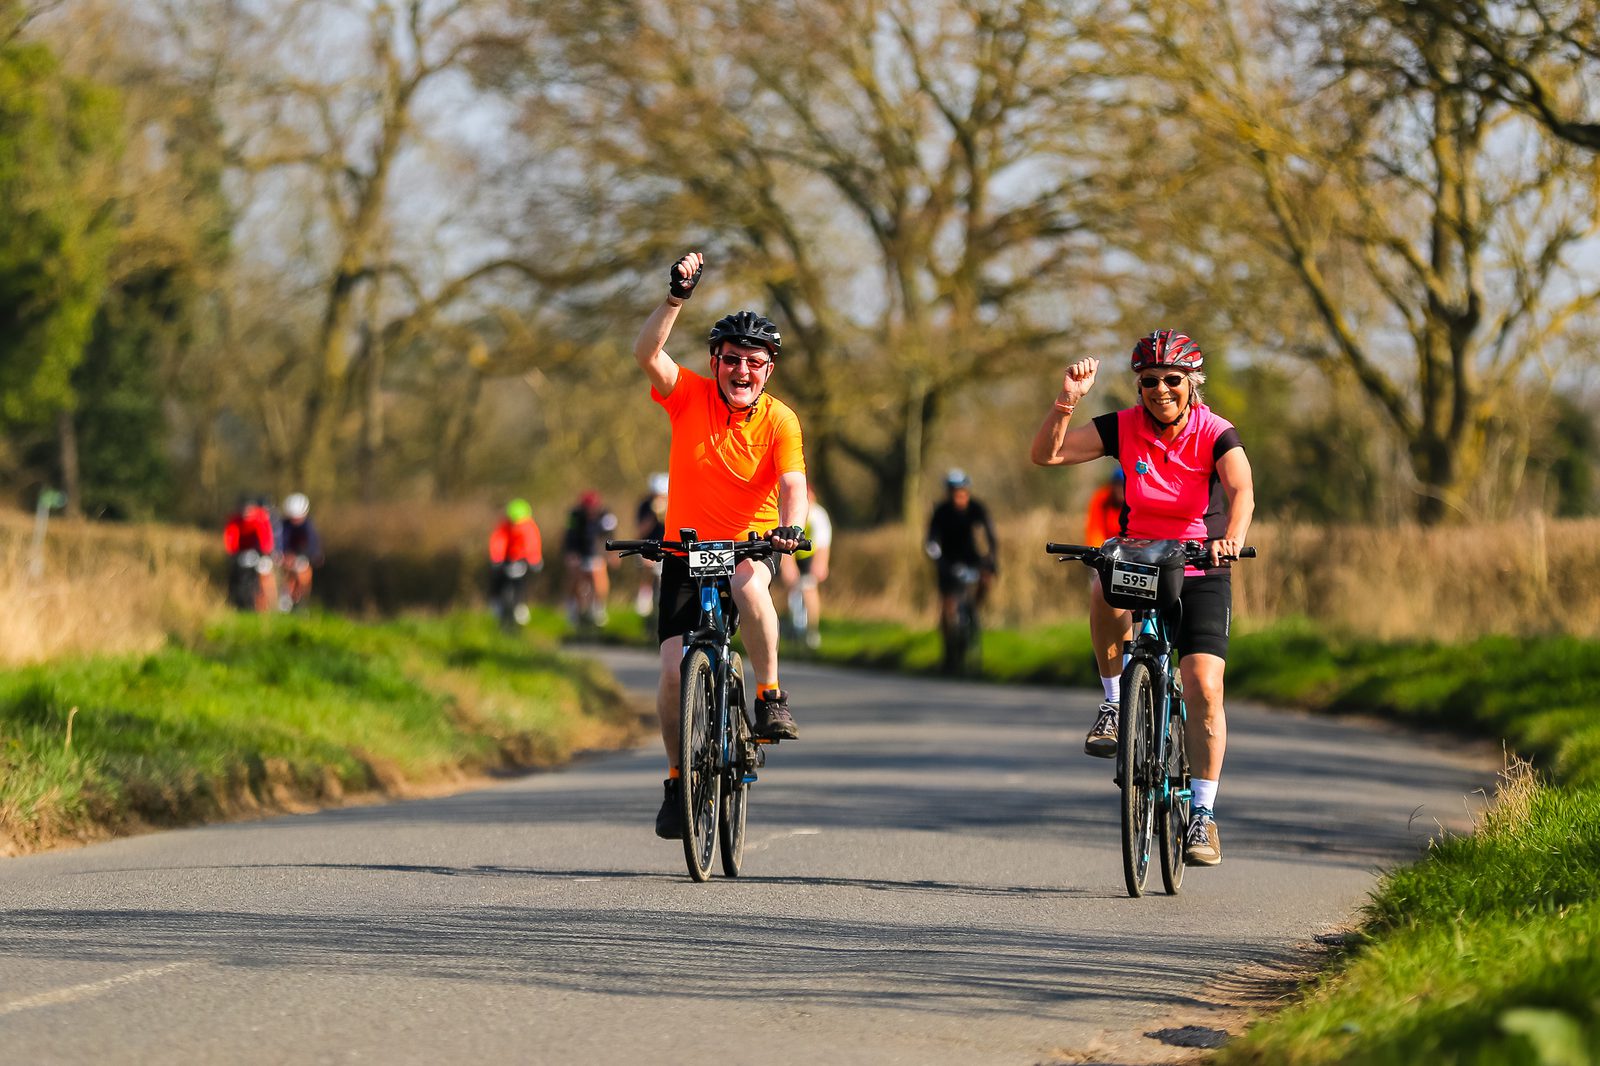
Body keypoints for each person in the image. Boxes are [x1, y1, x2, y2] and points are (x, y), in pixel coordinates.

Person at [1029, 329, 1255, 867]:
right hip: (1139, 551)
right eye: (1150, 381)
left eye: (1172, 380)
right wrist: (1067, 401)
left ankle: (1202, 814)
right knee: (1103, 583)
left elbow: (1242, 490)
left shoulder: (1216, 432)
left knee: (1202, 683)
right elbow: (1047, 455)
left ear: (1191, 383)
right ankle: (1114, 702)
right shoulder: (1123, 427)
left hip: (1200, 560)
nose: (1161, 390)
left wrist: (1231, 539)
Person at [633, 250, 807, 840]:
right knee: (670, 670)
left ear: (769, 370)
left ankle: (769, 694)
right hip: (685, 553)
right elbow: (647, 355)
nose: (742, 371)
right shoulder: (688, 396)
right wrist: (676, 298)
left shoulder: (781, 421)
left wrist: (790, 529)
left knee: (750, 587)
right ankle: (680, 779)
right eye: (732, 360)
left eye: (755, 363)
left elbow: (793, 485)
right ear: (715, 361)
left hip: (748, 547)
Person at [924, 469, 999, 673]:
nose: (960, 497)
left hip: (972, 558)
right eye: (955, 493)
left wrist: (991, 559)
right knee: (949, 605)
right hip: (948, 562)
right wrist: (938, 560)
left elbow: (990, 535)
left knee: (986, 580)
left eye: (963, 492)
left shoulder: (976, 508)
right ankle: (949, 653)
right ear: (949, 493)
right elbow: (931, 541)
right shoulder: (941, 512)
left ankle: (974, 608)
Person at [778, 485, 832, 649]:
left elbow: (823, 544)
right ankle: (789, 626)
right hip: (790, 552)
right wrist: (787, 567)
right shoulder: (785, 512)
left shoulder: (819, 515)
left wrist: (821, 565)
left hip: (809, 556)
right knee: (788, 588)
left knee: (809, 589)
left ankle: (812, 631)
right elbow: (781, 541)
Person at [562, 490, 618, 626]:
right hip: (579, 552)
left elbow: (609, 536)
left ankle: (598, 607)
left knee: (599, 577)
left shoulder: (606, 516)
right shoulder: (575, 516)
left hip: (597, 553)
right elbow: (570, 537)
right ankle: (573, 606)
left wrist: (611, 554)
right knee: (575, 577)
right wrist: (571, 554)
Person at [490, 498, 544, 626]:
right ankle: (496, 603)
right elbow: (498, 542)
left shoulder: (529, 527)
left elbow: (532, 544)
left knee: (522, 582)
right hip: (506, 559)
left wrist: (534, 560)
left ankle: (521, 605)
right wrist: (497, 558)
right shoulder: (503, 526)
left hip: (522, 559)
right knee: (496, 578)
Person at [222, 495, 277, 611]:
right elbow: (231, 537)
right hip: (241, 554)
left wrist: (263, 552)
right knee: (233, 574)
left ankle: (270, 602)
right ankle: (233, 601)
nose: (246, 513)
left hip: (260, 553)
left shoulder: (261, 518)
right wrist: (232, 552)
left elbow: (265, 538)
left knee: (264, 573)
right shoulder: (235, 521)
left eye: (249, 510)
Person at [276, 492, 324, 611]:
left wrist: (309, 555)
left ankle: (302, 601)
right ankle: (286, 599)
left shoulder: (308, 526)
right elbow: (279, 542)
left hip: (302, 557)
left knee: (303, 573)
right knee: (288, 575)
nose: (295, 520)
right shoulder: (283, 525)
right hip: (286, 558)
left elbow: (312, 545)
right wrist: (283, 556)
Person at [633, 473, 670, 616]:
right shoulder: (644, 506)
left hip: (667, 548)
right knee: (648, 567)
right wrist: (653, 515)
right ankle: (645, 596)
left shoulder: (674, 505)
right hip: (647, 547)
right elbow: (641, 532)